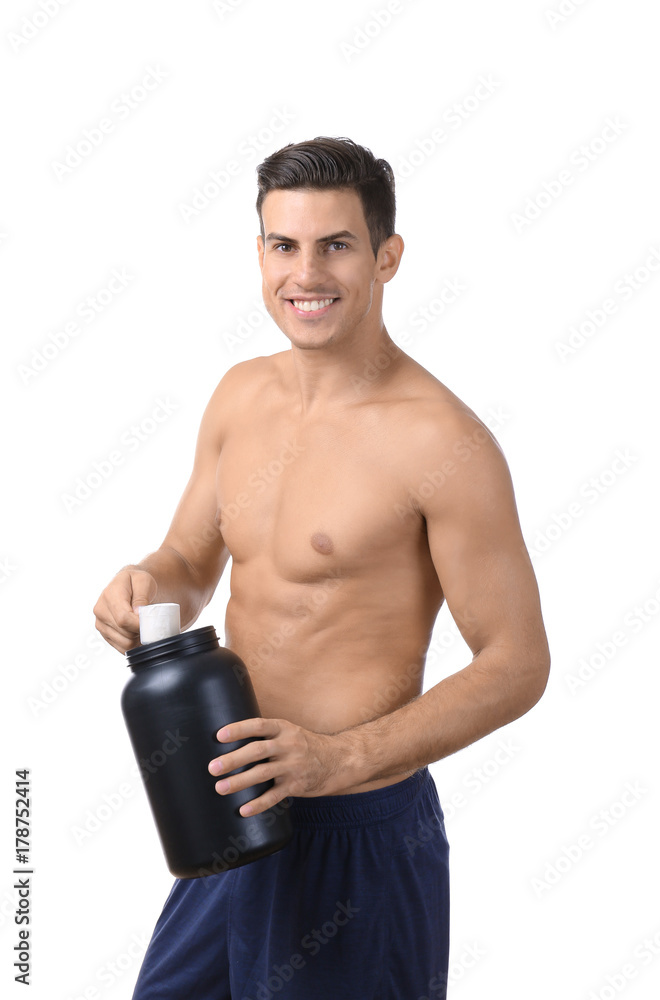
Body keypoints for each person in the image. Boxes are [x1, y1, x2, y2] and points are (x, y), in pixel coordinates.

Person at [93, 136, 550, 999]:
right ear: (260, 254)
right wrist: (147, 586)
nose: (306, 273)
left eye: (335, 244)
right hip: (225, 813)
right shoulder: (240, 394)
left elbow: (517, 663)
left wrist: (342, 760)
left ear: (386, 256)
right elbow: (191, 556)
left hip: (356, 832)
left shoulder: (441, 441)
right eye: (283, 245)